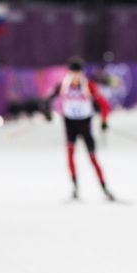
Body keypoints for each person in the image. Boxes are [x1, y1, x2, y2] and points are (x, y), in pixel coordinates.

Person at [45, 57, 114, 201]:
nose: (75, 76)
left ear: (81, 73)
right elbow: (47, 100)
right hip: (70, 125)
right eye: (72, 72)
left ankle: (104, 188)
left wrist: (104, 121)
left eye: (77, 73)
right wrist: (47, 113)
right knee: (70, 156)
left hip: (85, 125)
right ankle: (75, 188)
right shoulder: (64, 85)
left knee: (93, 158)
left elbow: (104, 105)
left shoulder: (88, 85)